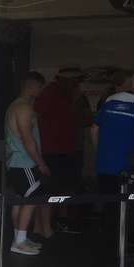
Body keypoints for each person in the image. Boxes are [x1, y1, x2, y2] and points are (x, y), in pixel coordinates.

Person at [35, 67, 90, 233]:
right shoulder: (51, 94)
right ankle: (51, 223)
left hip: (66, 149)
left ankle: (58, 221)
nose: (78, 84)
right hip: (54, 150)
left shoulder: (70, 95)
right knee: (54, 188)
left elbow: (83, 119)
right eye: (76, 81)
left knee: (65, 186)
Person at [6, 72, 50, 255]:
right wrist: (41, 163)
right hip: (24, 162)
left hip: (16, 163)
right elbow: (28, 139)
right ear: (31, 86)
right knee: (32, 199)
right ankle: (20, 242)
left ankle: (19, 238)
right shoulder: (23, 108)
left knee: (20, 201)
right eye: (40, 87)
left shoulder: (15, 106)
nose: (41, 91)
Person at [91, 70, 134, 200]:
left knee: (108, 203)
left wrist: (99, 153)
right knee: (130, 207)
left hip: (104, 165)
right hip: (130, 168)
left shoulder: (111, 99)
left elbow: (94, 129)